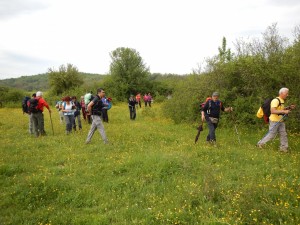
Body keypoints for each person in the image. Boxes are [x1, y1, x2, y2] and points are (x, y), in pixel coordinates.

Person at [257, 88, 295, 152]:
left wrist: (289, 108)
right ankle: (260, 143)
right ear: (281, 93)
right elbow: (273, 111)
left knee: (283, 134)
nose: (287, 95)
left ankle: (283, 148)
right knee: (271, 134)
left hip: (280, 120)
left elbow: (280, 109)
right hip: (274, 120)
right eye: (286, 93)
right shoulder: (275, 100)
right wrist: (284, 112)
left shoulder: (281, 100)